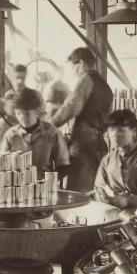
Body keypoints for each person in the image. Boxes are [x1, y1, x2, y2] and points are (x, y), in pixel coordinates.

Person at [50, 47, 113, 192]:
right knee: (95, 189)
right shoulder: (105, 86)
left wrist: (50, 124)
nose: (73, 72)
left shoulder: (86, 79)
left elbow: (71, 106)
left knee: (78, 190)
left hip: (83, 144)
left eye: (73, 67)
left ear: (81, 63)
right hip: (99, 144)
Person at [1, 87, 69, 180]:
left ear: (37, 112)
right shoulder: (10, 135)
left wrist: (48, 181)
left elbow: (63, 166)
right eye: (18, 113)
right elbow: (2, 164)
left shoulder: (53, 134)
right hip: (17, 186)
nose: (22, 118)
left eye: (27, 114)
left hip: (44, 186)